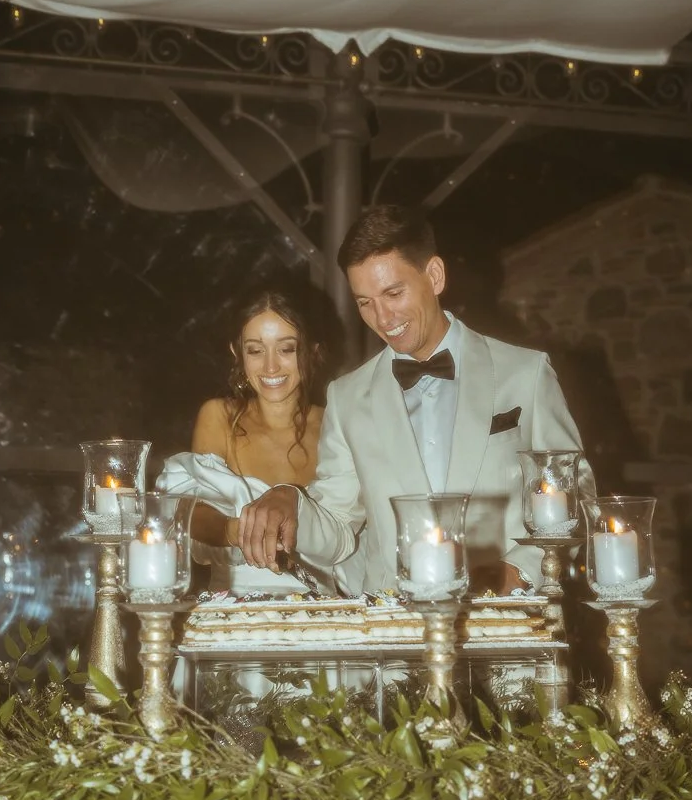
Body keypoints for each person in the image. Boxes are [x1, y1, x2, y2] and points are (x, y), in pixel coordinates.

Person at [237, 205, 593, 593]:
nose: (383, 317)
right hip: (394, 636)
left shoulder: (526, 373)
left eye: (393, 293)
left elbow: (576, 497)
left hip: (505, 626)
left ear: (435, 276)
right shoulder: (347, 396)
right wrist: (291, 501)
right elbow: (338, 527)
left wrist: (516, 574)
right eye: (364, 302)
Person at [158, 279, 335, 593]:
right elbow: (192, 516)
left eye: (286, 348)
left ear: (313, 351)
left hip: (323, 612)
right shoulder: (218, 417)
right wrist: (239, 531)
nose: (270, 366)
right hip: (233, 610)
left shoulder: (335, 423)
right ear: (237, 352)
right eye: (255, 350)